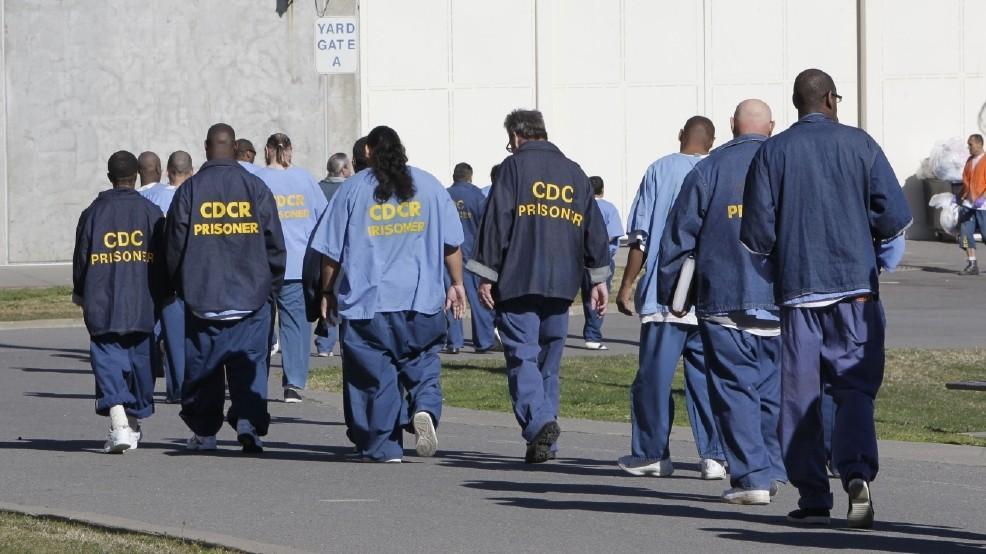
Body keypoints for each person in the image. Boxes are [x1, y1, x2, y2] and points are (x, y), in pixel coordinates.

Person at [741, 68, 911, 528]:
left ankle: (814, 494)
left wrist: (779, 268)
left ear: (796, 103)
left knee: (799, 393)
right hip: (855, 290)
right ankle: (855, 472)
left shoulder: (772, 152)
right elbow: (894, 217)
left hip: (799, 293)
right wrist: (873, 256)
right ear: (831, 100)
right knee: (853, 386)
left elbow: (756, 234)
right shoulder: (861, 144)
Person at [658, 100, 786, 505]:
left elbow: (679, 235)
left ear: (732, 126)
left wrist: (671, 292)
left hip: (725, 296)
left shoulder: (709, 169)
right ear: (771, 126)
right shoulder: (787, 164)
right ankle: (771, 466)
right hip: (780, 298)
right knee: (771, 390)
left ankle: (752, 476)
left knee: (734, 389)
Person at [314, 125, 466, 462]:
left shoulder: (352, 189)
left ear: (367, 151)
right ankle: (424, 407)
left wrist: (328, 290)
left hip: (370, 304)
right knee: (424, 361)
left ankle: (384, 446)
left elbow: (331, 253)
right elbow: (452, 244)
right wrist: (456, 284)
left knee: (375, 377)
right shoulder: (429, 185)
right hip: (421, 299)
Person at [468, 109, 611, 463]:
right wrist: (598, 279)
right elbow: (594, 229)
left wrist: (486, 273)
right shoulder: (575, 173)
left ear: (516, 137)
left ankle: (541, 421)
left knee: (522, 355)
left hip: (519, 278)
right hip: (562, 282)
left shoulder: (514, 168)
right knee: (548, 361)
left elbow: (497, 220)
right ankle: (545, 442)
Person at [615, 116, 727, 479]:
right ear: (713, 141)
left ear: (681, 135)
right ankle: (714, 455)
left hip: (668, 293)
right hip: (711, 294)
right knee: (706, 379)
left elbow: (641, 236)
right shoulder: (719, 170)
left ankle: (652, 452)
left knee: (653, 378)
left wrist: (628, 283)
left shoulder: (660, 170)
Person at [166, 123, 286, 453]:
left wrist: (181, 286)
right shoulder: (255, 187)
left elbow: (174, 246)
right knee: (250, 366)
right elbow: (274, 241)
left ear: (207, 148)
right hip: (251, 297)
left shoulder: (189, 192)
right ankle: (249, 422)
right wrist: (271, 285)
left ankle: (205, 433)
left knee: (204, 369)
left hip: (204, 296)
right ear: (234, 149)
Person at [72, 150, 166, 453]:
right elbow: (163, 259)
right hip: (142, 301)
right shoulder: (151, 213)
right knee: (141, 363)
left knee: (109, 359)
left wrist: (80, 291)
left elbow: (82, 258)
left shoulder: (93, 214)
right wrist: (164, 292)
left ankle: (124, 424)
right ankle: (124, 423)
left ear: (110, 177)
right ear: (135, 177)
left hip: (103, 300)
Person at [256, 133, 328, 402]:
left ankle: (256, 379)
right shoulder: (306, 179)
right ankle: (294, 383)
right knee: (295, 324)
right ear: (290, 150)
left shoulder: (259, 180)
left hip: (264, 263)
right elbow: (323, 216)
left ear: (267, 150)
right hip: (298, 263)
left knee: (261, 323)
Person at [141, 151, 193, 403]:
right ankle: (185, 386)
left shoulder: (150, 197)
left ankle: (168, 385)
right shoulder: (196, 195)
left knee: (166, 335)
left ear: (168, 171)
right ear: (191, 171)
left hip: (159, 275)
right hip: (190, 275)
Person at [444, 162, 497, 354]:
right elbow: (487, 226)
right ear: (470, 176)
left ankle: (454, 342)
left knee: (453, 297)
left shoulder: (445, 195)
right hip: (473, 254)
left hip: (449, 254)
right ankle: (483, 341)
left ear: (454, 177)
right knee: (478, 299)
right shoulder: (477, 196)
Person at [312, 152, 353, 357]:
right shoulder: (349, 189)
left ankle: (324, 343)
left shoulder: (318, 188)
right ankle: (345, 343)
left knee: (326, 295)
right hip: (343, 252)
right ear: (344, 169)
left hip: (319, 251)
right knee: (341, 295)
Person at [581, 176, 623, 350]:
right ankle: (593, 335)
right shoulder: (609, 208)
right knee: (598, 296)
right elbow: (613, 234)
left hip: (580, 258)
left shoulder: (582, 207)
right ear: (602, 190)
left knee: (584, 296)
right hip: (602, 259)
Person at [957, 133, 986, 275]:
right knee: (965, 235)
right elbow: (966, 181)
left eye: (971, 144)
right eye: (968, 144)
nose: (969, 147)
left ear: (980, 144)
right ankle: (972, 263)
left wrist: (983, 198)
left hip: (983, 206)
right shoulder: (970, 161)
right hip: (968, 205)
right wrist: (958, 197)